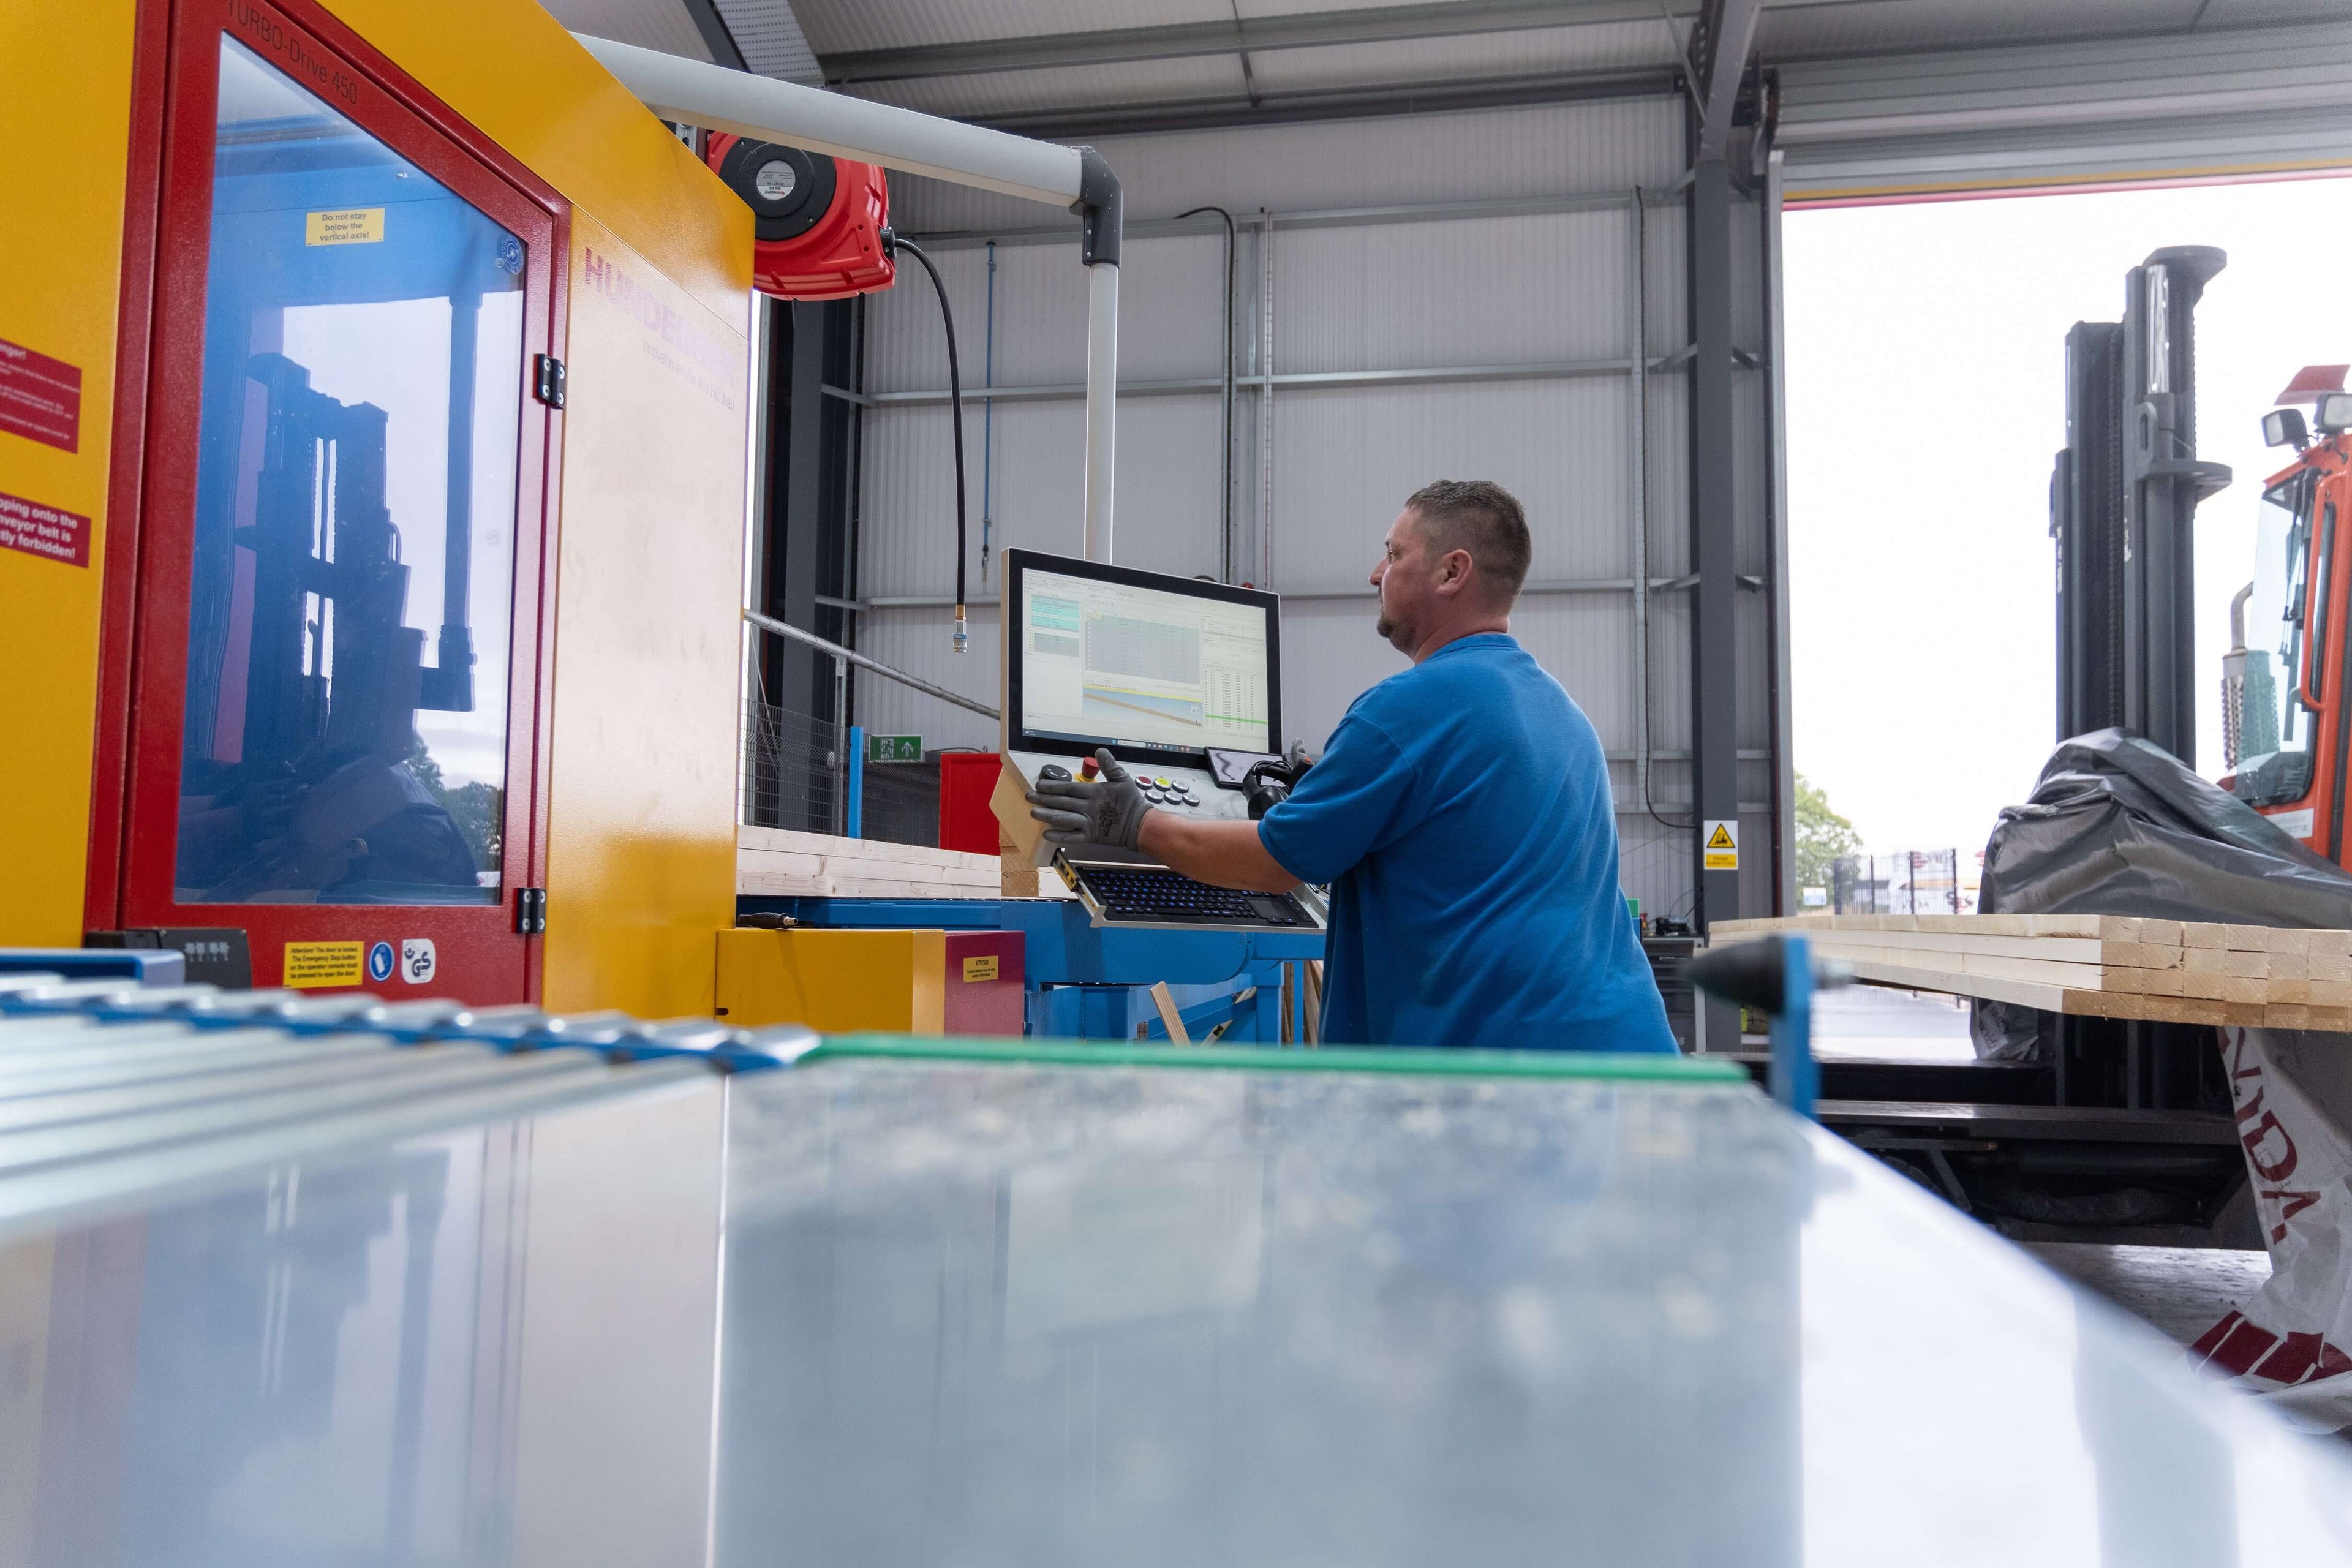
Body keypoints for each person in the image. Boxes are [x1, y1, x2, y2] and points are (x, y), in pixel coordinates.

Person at [1028, 478, 1677, 1054]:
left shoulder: (1407, 709)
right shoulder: (1563, 713)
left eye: (1394, 554)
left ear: (1453, 571)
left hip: (1505, 1080)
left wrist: (1139, 824)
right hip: (1620, 1054)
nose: (1375, 573)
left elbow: (1274, 864)